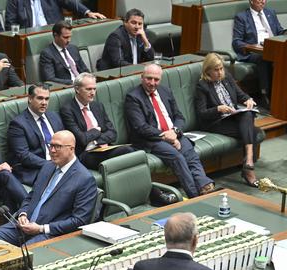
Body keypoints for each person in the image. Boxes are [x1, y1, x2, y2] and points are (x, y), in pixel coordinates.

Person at [61, 72, 177, 205]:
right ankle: (155, 195)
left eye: (94, 88)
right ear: (77, 89)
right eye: (88, 89)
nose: (92, 92)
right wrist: (97, 130)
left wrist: (96, 138)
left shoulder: (97, 106)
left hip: (105, 149)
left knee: (133, 154)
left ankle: (144, 196)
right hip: (86, 154)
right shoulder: (68, 109)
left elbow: (113, 133)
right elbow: (81, 139)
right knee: (130, 152)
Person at [0, 130, 96, 246]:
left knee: (22, 255)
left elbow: (79, 221)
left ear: (71, 149)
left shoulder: (84, 179)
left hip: (50, 233)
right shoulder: (47, 167)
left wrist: (41, 228)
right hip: (24, 225)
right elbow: (31, 197)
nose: (52, 151)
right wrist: (23, 213)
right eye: (51, 146)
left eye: (58, 147)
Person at [125, 64, 215, 198]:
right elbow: (141, 127)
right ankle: (194, 196)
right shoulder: (133, 97)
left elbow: (179, 117)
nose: (152, 83)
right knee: (177, 157)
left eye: (156, 79)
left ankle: (204, 186)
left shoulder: (165, 91)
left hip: (173, 133)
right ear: (142, 77)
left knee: (189, 153)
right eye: (149, 79)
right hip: (151, 140)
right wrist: (168, 137)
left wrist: (175, 132)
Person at [194, 53, 261, 187]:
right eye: (216, 70)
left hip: (233, 118)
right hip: (215, 122)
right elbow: (201, 113)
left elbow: (241, 94)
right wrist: (218, 109)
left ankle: (248, 161)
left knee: (247, 114)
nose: (220, 72)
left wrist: (248, 99)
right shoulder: (202, 86)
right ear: (208, 71)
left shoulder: (227, 77)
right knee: (253, 130)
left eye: (221, 68)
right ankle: (249, 168)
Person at [7, 84, 64, 185]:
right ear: (29, 98)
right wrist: (51, 165)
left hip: (59, 163)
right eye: (40, 98)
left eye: (47, 99)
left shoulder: (54, 116)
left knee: (82, 177)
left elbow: (64, 141)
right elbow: (23, 155)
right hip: (35, 169)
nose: (44, 103)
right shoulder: (18, 124)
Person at [232, 0, 283, 107]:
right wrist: (254, 47)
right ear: (251, 1)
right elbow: (237, 42)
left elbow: (280, 32)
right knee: (264, 57)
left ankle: (282, 94)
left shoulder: (271, 13)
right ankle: (266, 95)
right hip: (253, 52)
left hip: (273, 48)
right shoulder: (242, 17)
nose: (262, 1)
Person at [39, 21, 89, 85]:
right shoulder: (47, 54)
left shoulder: (73, 48)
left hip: (83, 84)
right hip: (67, 86)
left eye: (70, 36)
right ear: (55, 35)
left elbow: (84, 69)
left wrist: (90, 78)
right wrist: (73, 82)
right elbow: (50, 79)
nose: (69, 40)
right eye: (65, 37)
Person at [4, 0, 105, 30]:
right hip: (29, 36)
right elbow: (10, 23)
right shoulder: (15, 1)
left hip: (53, 32)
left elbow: (69, 2)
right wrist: (18, 37)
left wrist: (88, 12)